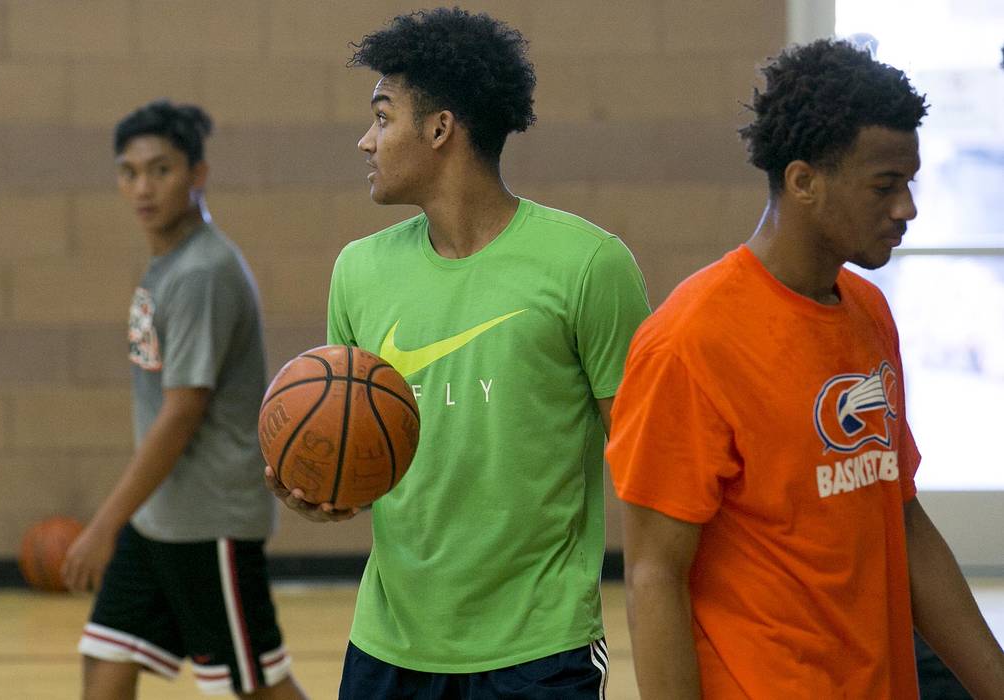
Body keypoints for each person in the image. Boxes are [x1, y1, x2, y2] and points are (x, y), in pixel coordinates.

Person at [264, 8, 650, 698]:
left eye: (383, 118)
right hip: (389, 644)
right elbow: (362, 445)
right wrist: (326, 484)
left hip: (540, 648)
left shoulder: (590, 265)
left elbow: (649, 465)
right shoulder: (358, 269)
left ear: (441, 128)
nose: (364, 141)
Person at [605, 39, 1004, 699]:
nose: (907, 208)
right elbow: (653, 577)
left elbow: (901, 517)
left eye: (910, 183)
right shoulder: (690, 340)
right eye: (885, 186)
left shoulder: (869, 311)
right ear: (803, 181)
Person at [61, 100, 309, 700]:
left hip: (208, 523)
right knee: (105, 663)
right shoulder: (170, 265)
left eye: (161, 169)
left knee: (256, 686)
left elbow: (181, 413)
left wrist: (102, 526)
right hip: (160, 521)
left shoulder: (202, 272)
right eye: (129, 172)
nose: (143, 187)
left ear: (197, 174)